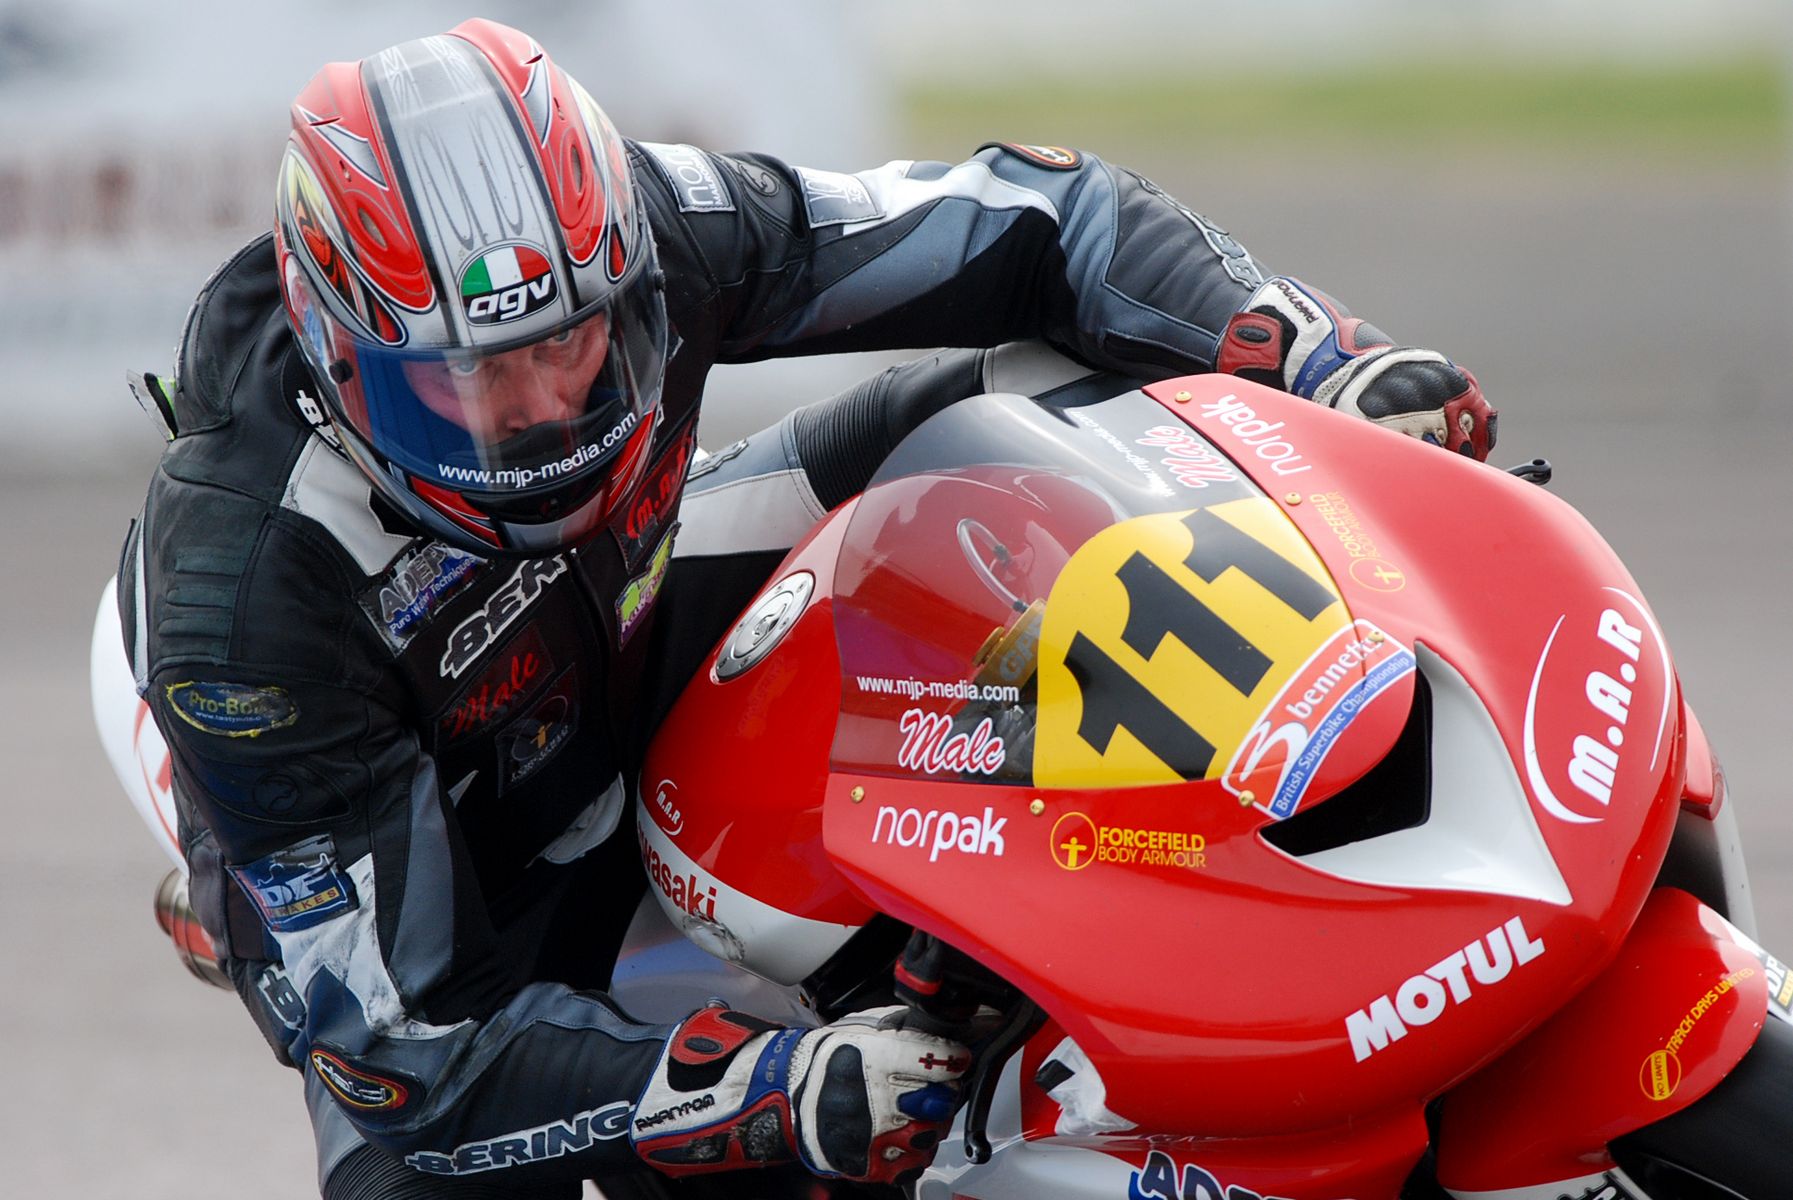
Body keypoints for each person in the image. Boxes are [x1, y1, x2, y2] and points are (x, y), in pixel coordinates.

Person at [117, 18, 1495, 1200]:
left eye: (575, 351)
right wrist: (766, 1088)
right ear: (343, 353)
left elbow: (1037, 217)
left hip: (631, 613)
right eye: (476, 388)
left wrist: (1308, 356)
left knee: (1012, 413)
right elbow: (406, 1048)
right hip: (443, 862)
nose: (545, 417)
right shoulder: (242, 599)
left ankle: (1239, 831)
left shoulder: (658, 231)